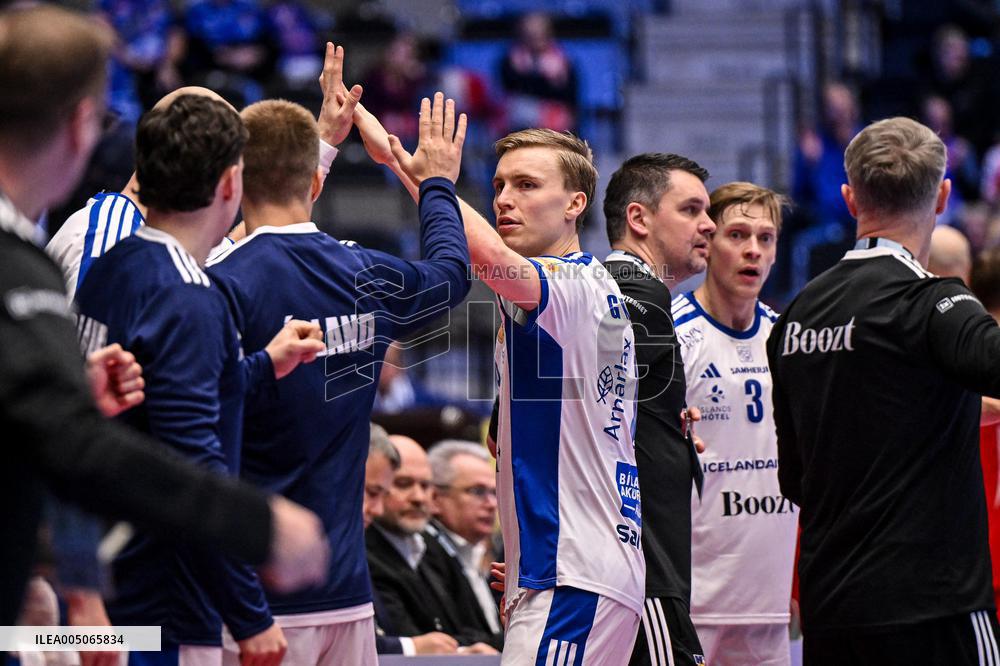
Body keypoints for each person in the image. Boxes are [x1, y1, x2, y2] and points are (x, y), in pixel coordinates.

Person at [0, 2, 327, 626]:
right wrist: (258, 529)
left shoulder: (109, 260)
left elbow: (54, 423)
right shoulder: (47, 264)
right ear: (80, 126)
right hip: (150, 604)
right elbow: (75, 445)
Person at [357, 103, 644, 663]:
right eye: (499, 185)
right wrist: (403, 164)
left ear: (574, 204)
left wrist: (432, 177)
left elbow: (484, 255)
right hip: (573, 565)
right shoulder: (574, 293)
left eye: (528, 185)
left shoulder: (568, 287)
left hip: (572, 573)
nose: (505, 198)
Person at [205, 73, 470, 662]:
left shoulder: (216, 285)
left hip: (255, 596)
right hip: (348, 592)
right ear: (314, 177)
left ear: (236, 177)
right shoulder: (367, 275)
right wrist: (436, 185)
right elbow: (453, 274)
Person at [75, 93, 326, 666]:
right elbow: (194, 464)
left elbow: (159, 400)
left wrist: (262, 365)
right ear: (230, 183)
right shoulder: (188, 295)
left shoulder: (120, 262)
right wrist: (249, 614)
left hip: (107, 577)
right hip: (161, 595)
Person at [767, 116, 1000, 664]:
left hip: (834, 611)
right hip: (935, 608)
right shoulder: (933, 303)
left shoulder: (795, 316)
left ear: (850, 199)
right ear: (942, 196)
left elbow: (797, 478)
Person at [673, 182, 795, 665]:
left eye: (766, 238)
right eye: (738, 234)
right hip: (691, 601)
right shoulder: (673, 334)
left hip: (767, 600)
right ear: (707, 242)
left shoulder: (785, 338)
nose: (753, 251)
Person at [601, 152, 714, 666]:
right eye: (691, 210)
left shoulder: (623, 295)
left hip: (630, 568)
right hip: (645, 572)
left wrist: (667, 426)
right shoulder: (635, 290)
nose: (708, 224)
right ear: (639, 219)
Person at [366, 435, 498, 654]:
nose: (418, 497)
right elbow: (412, 638)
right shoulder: (367, 551)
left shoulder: (430, 545)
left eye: (425, 485)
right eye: (403, 484)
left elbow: (465, 629)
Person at [426, 440, 503, 639]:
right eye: (477, 491)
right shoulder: (424, 555)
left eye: (494, 493)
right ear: (435, 498)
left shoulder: (473, 552)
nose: (491, 504)